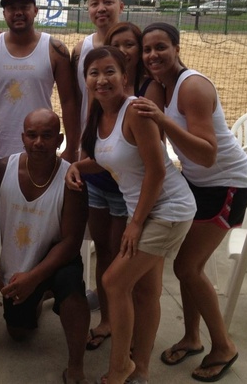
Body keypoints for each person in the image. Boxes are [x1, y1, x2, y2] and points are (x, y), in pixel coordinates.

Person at [66, 46, 195, 384]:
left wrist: (135, 224)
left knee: (113, 281)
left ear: (125, 77)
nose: (101, 79)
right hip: (146, 209)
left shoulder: (135, 110)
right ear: (87, 81)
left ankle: (121, 366)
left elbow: (157, 171)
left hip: (167, 210)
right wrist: (78, 165)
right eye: (94, 73)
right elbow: (111, 160)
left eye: (110, 71)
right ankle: (141, 369)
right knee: (146, 291)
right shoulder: (99, 115)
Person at [132, 23, 247, 382]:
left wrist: (162, 121)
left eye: (160, 48)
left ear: (177, 47)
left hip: (226, 183)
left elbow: (207, 155)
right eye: (147, 50)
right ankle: (192, 337)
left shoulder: (192, 87)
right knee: (188, 267)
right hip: (198, 184)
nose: (153, 55)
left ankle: (224, 346)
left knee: (187, 268)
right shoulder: (162, 85)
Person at [0, 0, 79, 305]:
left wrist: (70, 148)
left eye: (24, 6)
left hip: (40, 152)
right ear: (4, 13)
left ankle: (40, 284)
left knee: (42, 223)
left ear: (35, 11)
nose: (18, 12)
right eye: (11, 7)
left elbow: (69, 100)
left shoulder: (54, 48)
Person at [0, 109, 90, 384]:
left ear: (60, 140)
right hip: (19, 267)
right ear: (23, 137)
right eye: (32, 135)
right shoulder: (2, 170)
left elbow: (71, 242)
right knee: (18, 333)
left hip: (56, 259)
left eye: (47, 135)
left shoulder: (71, 180)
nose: (39, 142)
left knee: (71, 286)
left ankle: (76, 365)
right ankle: (40, 297)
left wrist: (35, 278)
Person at [71, 0, 127, 351]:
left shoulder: (131, 45)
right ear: (87, 8)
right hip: (93, 160)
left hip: (124, 167)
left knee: (125, 253)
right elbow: (77, 102)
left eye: (108, 2)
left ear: (121, 6)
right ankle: (107, 318)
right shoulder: (81, 49)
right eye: (95, 3)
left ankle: (127, 326)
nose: (101, 8)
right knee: (104, 247)